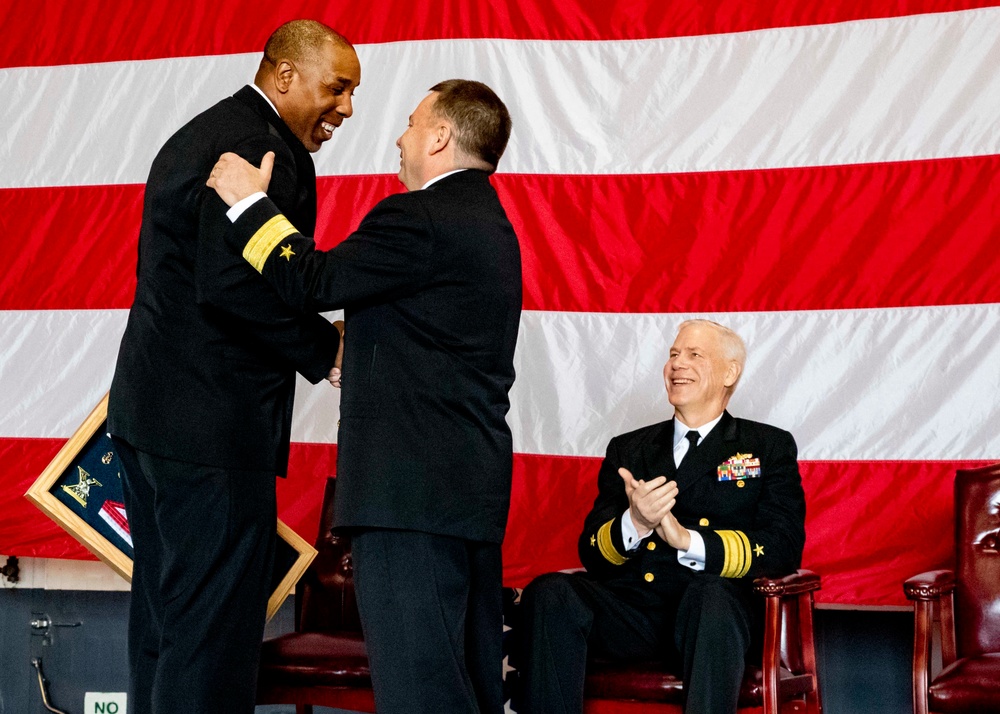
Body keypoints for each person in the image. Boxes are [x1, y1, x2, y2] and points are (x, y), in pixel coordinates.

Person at [207, 79, 522, 713]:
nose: (401, 137)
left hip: (407, 498)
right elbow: (431, 335)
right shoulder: (490, 224)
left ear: (439, 137)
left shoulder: (418, 215)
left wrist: (249, 208)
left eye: (412, 124)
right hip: (465, 493)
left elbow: (312, 280)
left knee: (420, 693)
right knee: (469, 685)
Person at [106, 20, 360, 714]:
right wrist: (326, 349)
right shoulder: (260, 146)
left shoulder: (212, 129)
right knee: (211, 630)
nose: (346, 109)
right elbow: (232, 286)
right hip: (212, 433)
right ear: (284, 76)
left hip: (152, 419)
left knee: (165, 617)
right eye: (336, 88)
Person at [517, 319, 806, 714]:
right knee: (549, 592)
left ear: (729, 372)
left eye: (694, 354)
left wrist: (686, 540)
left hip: (714, 619)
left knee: (710, 596)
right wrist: (634, 522)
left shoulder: (766, 446)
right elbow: (592, 553)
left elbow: (783, 546)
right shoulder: (629, 448)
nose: (676, 364)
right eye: (673, 354)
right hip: (638, 614)